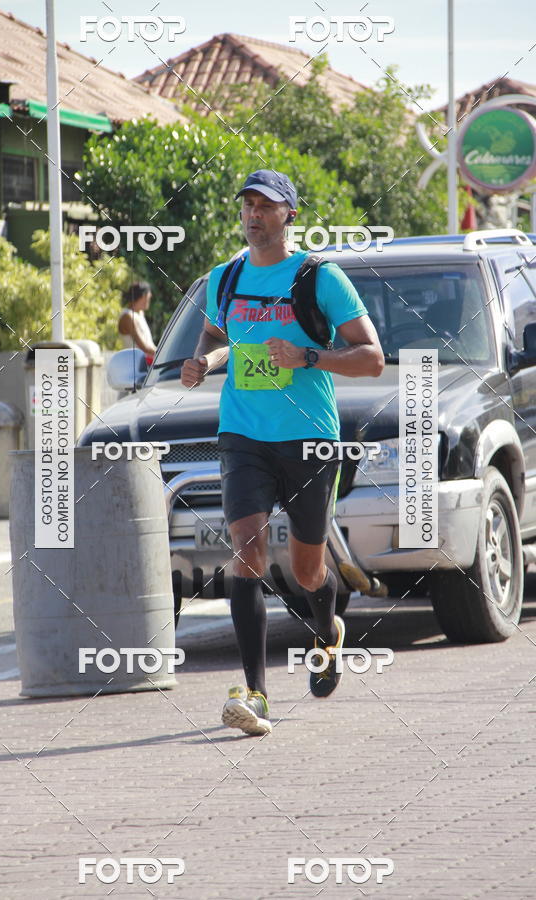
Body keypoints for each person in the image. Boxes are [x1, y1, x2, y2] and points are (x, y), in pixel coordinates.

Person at [181, 170, 384, 737]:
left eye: (266, 206)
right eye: (247, 205)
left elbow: (371, 358)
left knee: (306, 570)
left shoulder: (320, 278)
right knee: (245, 554)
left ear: (289, 215)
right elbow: (217, 336)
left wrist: (307, 357)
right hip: (242, 434)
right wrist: (202, 362)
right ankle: (256, 695)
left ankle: (327, 631)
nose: (254, 215)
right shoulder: (224, 278)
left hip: (308, 438)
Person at [118, 281, 157, 365]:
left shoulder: (140, 313)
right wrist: (164, 353)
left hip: (145, 363)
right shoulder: (128, 317)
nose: (150, 297)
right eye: (149, 296)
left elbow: (149, 345)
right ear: (143, 296)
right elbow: (143, 347)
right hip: (135, 366)